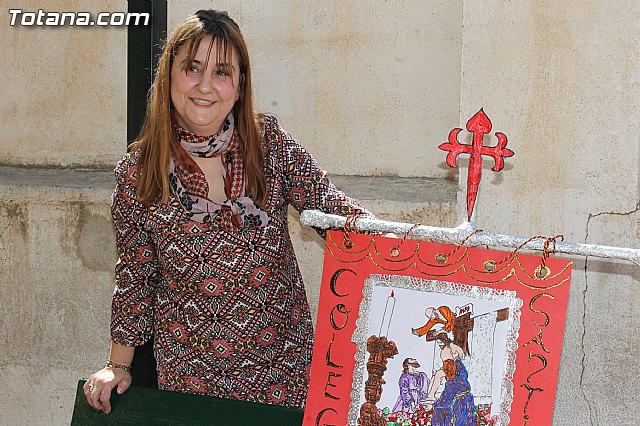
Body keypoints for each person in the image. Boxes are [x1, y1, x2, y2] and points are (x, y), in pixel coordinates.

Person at [83, 9, 374, 414]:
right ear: (169, 77)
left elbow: (339, 217)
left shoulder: (268, 143)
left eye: (221, 72)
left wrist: (433, 254)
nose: (205, 86)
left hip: (287, 382)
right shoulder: (138, 172)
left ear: (239, 85)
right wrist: (117, 365)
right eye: (192, 68)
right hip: (191, 388)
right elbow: (136, 277)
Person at [430, 359, 475, 426]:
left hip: (457, 414)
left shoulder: (451, 386)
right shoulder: (462, 379)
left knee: (438, 412)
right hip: (467, 412)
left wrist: (434, 405)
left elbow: (444, 402)